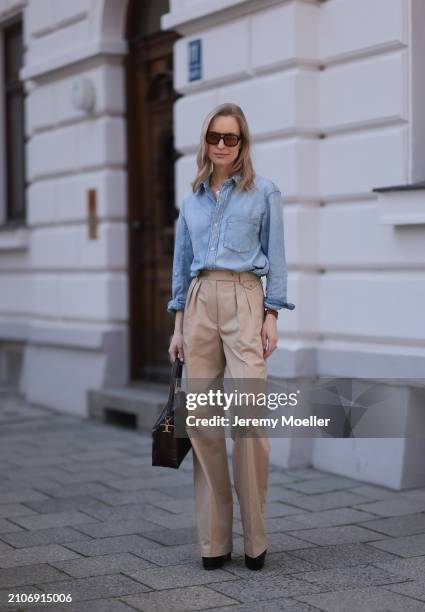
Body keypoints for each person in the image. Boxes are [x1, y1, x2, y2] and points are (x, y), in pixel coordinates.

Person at [167, 102, 295, 571]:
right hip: (199, 302)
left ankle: (255, 538)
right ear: (205, 143)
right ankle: (213, 541)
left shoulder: (264, 192)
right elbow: (181, 265)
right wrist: (177, 327)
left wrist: (272, 314)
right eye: (214, 138)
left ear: (243, 143)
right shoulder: (192, 199)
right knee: (201, 424)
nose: (222, 146)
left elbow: (276, 257)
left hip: (245, 298)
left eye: (231, 138)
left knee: (249, 421)